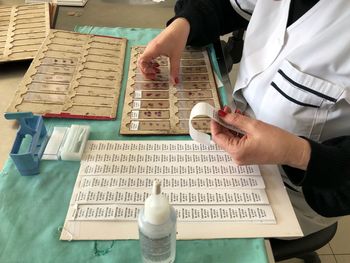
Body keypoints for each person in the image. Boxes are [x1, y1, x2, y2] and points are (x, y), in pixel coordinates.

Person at [138, 0, 350, 236]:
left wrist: (296, 153)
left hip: (296, 193)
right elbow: (227, 5)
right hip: (233, 148)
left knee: (173, 230)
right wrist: (184, 24)